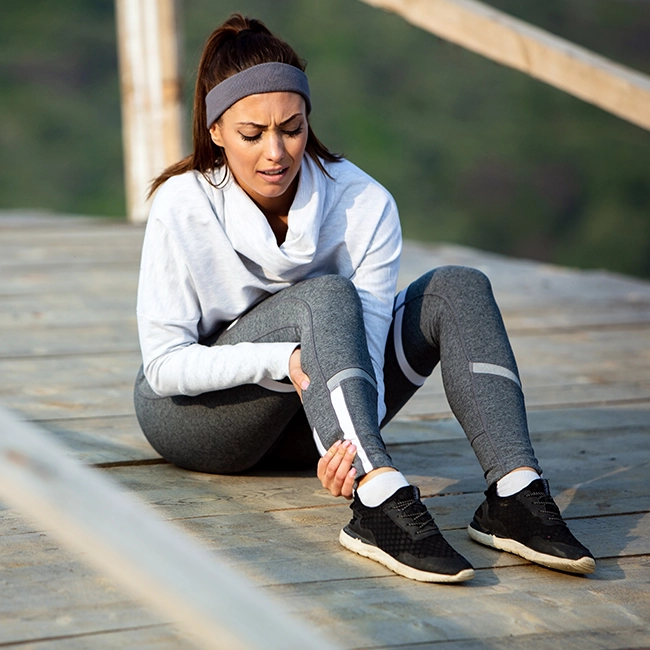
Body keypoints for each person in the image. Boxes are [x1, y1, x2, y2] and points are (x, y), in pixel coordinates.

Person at [134, 13, 595, 583]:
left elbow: (371, 357)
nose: (275, 152)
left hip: (319, 434)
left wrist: (347, 441)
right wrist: (284, 361)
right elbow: (161, 367)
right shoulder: (183, 204)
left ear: (308, 120)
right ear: (216, 132)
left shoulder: (363, 205)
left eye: (292, 128)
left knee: (458, 286)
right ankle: (377, 499)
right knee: (324, 297)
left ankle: (515, 492)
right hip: (198, 421)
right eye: (252, 134)